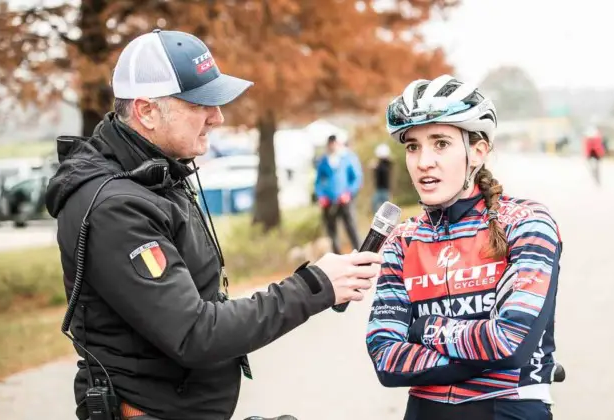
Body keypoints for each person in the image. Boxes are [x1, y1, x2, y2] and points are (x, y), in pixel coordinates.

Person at [45, 29, 381, 420]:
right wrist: (314, 286)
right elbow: (194, 332)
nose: (217, 117)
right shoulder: (115, 207)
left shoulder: (154, 174)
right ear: (146, 111)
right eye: (200, 103)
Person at [366, 75, 563, 420]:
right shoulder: (403, 239)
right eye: (413, 146)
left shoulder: (526, 222)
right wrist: (483, 353)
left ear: (478, 150)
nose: (424, 161)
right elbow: (386, 359)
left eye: (440, 143)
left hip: (509, 409)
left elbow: (510, 342)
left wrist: (422, 329)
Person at [314, 134, 363, 253]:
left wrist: (348, 193)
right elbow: (318, 182)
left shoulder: (348, 158)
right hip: (329, 201)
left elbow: (356, 178)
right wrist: (321, 196)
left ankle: (361, 253)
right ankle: (337, 254)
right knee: (332, 231)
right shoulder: (323, 161)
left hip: (345, 200)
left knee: (351, 228)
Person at [371, 143, 393, 213]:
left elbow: (383, 170)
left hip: (384, 189)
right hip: (380, 188)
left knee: (385, 207)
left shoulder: (386, 164)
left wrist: (376, 168)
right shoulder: (382, 163)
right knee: (376, 204)